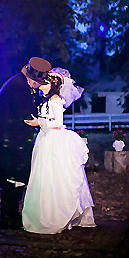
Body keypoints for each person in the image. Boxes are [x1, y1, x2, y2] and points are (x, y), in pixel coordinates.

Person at [21, 68, 96, 234]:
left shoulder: (56, 101)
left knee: (55, 176)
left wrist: (39, 123)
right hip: (45, 140)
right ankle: (43, 212)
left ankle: (58, 213)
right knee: (43, 176)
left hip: (54, 141)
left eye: (45, 82)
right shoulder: (47, 101)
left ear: (52, 86)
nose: (42, 84)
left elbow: (57, 123)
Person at [0, 57, 50, 230]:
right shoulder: (19, 87)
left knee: (14, 180)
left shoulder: (20, 84)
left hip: (11, 141)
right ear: (32, 79)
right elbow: (26, 115)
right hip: (10, 142)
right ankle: (8, 218)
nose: (38, 86)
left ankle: (11, 215)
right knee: (12, 180)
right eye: (38, 83)